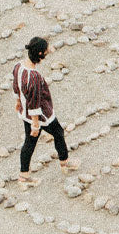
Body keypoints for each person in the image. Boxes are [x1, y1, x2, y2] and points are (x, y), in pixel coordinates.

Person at [13, 36, 79, 188]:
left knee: (29, 143)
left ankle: (24, 175)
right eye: (46, 51)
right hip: (41, 116)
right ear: (40, 55)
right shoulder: (34, 77)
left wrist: (18, 101)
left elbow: (16, 86)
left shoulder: (18, 66)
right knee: (58, 133)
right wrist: (36, 124)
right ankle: (64, 162)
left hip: (26, 113)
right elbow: (35, 100)